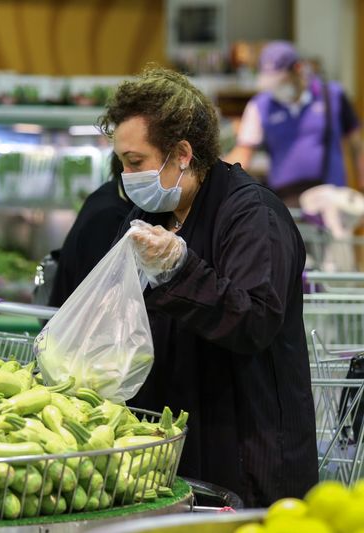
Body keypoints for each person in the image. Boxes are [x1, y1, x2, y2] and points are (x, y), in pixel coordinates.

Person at [98, 67, 317, 507]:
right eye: (122, 161)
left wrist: (180, 269)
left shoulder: (253, 216)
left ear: (181, 153)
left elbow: (254, 319)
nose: (125, 175)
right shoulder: (152, 215)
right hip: (175, 447)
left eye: (135, 162)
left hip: (247, 452)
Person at [227, 41, 364, 207]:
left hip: (332, 199)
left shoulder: (332, 96)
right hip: (285, 202)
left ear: (298, 69)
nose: (276, 88)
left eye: (281, 81)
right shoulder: (259, 106)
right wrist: (217, 172)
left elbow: (358, 146)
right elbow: (243, 153)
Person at [47, 154, 132, 307]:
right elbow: (101, 296)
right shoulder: (110, 215)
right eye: (136, 161)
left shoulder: (108, 194)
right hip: (78, 326)